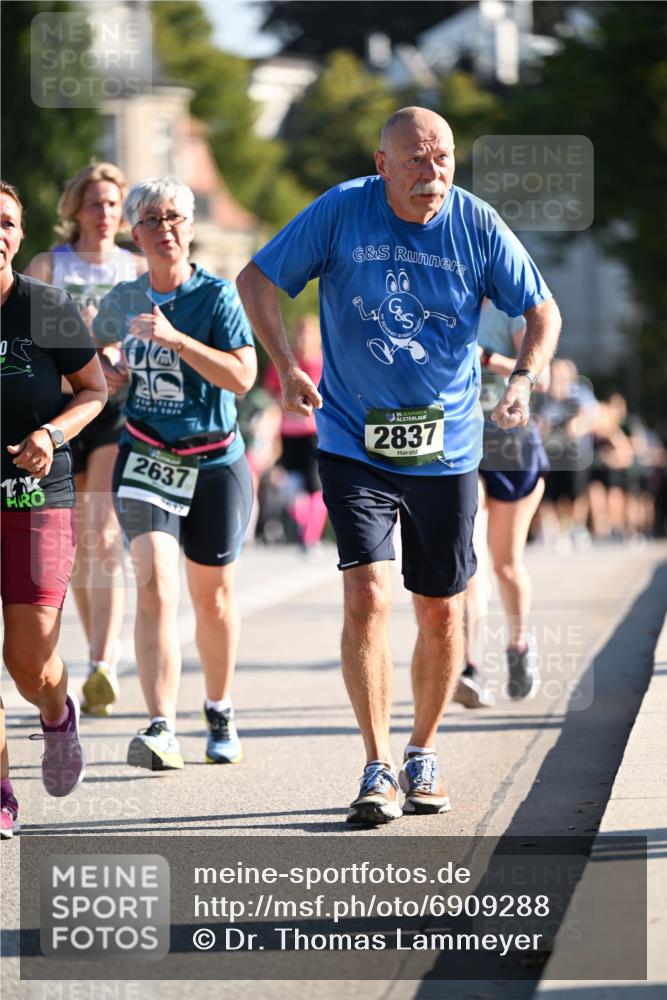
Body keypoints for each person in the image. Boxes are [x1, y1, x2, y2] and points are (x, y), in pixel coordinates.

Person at [237, 106, 561, 825]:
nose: (431, 171)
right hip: (353, 436)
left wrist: (522, 378)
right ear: (381, 164)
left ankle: (422, 749)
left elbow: (541, 310)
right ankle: (377, 762)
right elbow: (256, 279)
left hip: (444, 447)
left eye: (442, 157)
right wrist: (285, 364)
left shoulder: (475, 223)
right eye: (415, 158)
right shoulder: (341, 212)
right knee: (368, 597)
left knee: (441, 610)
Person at [93, 176, 257, 772]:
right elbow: (90, 363)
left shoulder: (216, 298)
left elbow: (242, 377)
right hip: (147, 454)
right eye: (153, 220)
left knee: (212, 598)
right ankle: (161, 724)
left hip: (216, 460)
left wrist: (178, 340)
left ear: (190, 227)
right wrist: (106, 370)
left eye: (176, 218)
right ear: (134, 234)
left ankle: (219, 707)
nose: (166, 229)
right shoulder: (122, 299)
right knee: (156, 582)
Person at [0, 180, 108, 836]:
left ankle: (55, 708)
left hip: (37, 496)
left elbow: (93, 389)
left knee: (27, 663)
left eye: (7, 222)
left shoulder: (45, 307)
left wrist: (49, 434)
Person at [27, 163, 147, 717]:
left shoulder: (137, 267)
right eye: (96, 203)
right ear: (75, 208)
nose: (106, 214)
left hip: (113, 407)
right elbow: (28, 337)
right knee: (74, 542)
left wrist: (128, 365)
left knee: (101, 532)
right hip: (59, 409)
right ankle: (98, 650)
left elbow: (155, 340)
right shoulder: (50, 264)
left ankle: (104, 661)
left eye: (114, 205)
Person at [456, 300, 550, 709]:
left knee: (505, 565)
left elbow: (539, 379)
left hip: (511, 445)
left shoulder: (511, 309)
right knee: (468, 561)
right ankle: (467, 667)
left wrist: (485, 356)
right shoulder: (444, 297)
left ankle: (518, 644)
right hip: (462, 441)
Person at [263, 315, 328, 550]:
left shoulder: (324, 363)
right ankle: (303, 525)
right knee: (286, 486)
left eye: (307, 333)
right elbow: (270, 393)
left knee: (315, 487)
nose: (302, 338)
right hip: (286, 435)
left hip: (313, 435)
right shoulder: (285, 364)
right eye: (299, 333)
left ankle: (310, 537)